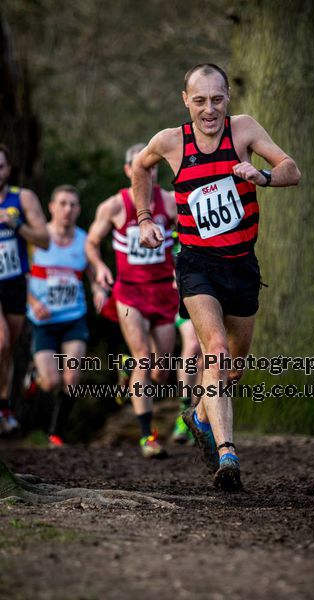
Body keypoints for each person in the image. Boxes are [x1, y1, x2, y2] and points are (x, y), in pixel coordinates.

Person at [132, 63, 300, 491]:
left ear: (228, 97)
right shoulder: (171, 141)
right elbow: (141, 168)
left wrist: (261, 175)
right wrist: (145, 216)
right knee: (217, 350)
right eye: (200, 100)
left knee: (233, 368)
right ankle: (228, 454)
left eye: (217, 99)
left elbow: (290, 169)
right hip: (196, 264)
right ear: (185, 100)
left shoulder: (243, 131)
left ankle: (201, 416)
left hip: (242, 264)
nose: (210, 109)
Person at [86, 144, 178, 458]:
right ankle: (147, 437)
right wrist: (99, 269)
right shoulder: (114, 206)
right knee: (143, 357)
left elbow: (190, 236)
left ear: (156, 170)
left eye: (152, 167)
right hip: (130, 293)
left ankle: (128, 370)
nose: (148, 172)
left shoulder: (170, 202)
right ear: (129, 170)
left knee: (161, 369)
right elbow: (91, 243)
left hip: (164, 291)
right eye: (141, 167)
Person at [27, 184, 103, 446]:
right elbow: (20, 277)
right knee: (51, 382)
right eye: (62, 203)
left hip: (74, 317)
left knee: (72, 377)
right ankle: (35, 375)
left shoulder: (85, 240)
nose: (67, 209)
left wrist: (97, 290)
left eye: (72, 204)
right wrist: (33, 301)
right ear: (51, 207)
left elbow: (94, 274)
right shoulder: (37, 239)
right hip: (43, 320)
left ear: (79, 209)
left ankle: (56, 433)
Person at [0, 144, 49, 436]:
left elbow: (44, 239)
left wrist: (17, 225)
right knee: (2, 342)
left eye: (1, 166)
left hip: (15, 281)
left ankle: (4, 407)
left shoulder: (23, 198)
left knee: (7, 351)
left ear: (9, 168)